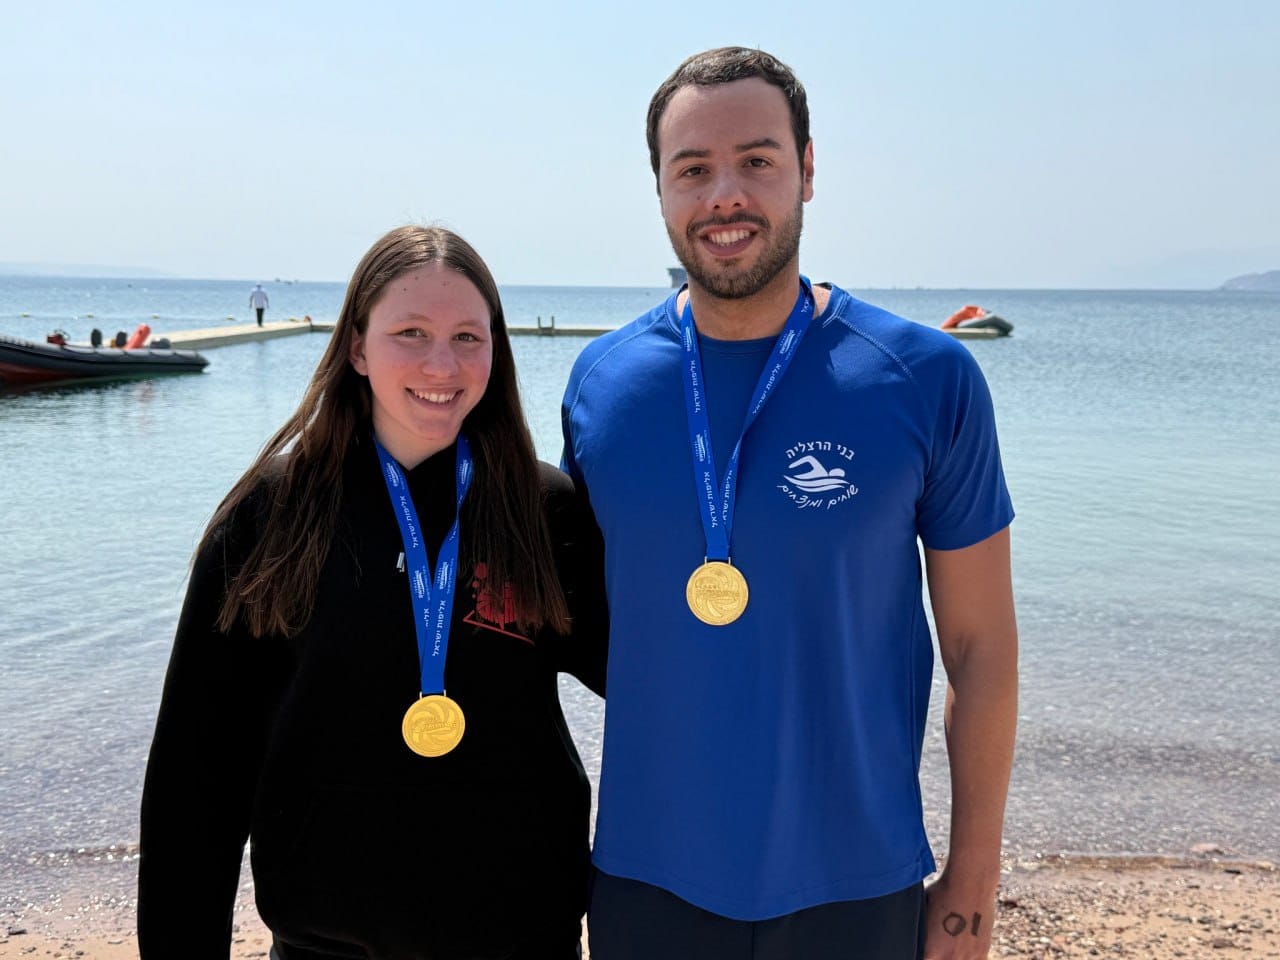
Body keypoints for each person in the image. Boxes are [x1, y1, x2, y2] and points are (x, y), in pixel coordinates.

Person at [561, 47, 1017, 960]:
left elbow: (982, 649)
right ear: (658, 189)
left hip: (857, 883)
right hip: (646, 881)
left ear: (808, 170)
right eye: (692, 169)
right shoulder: (599, 386)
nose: (725, 193)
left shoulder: (927, 379)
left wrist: (971, 884)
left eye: (757, 161)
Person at [140, 225, 607, 959]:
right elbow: (198, 769)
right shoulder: (273, 516)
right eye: (410, 333)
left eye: (467, 337)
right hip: (326, 944)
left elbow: (655, 687)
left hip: (524, 938)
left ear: (497, 349)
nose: (441, 363)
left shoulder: (544, 512)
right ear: (356, 347)